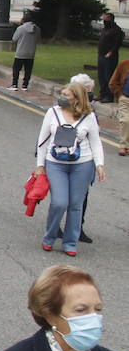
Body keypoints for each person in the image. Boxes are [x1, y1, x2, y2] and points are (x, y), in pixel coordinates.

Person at [34, 83, 105, 258]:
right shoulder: (53, 112)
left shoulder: (88, 117)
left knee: (75, 205)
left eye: (66, 94)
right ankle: (49, 237)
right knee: (59, 202)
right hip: (55, 163)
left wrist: (99, 164)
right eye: (62, 93)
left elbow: (96, 142)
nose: (62, 97)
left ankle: (70, 242)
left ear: (77, 98)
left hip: (82, 164)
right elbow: (42, 141)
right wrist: (40, 165)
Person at [97, 13, 124, 103]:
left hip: (110, 56)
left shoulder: (116, 30)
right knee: (101, 75)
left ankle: (109, 95)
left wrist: (111, 52)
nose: (104, 21)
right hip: (101, 55)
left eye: (106, 19)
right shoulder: (105, 29)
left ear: (111, 19)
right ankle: (102, 93)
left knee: (108, 75)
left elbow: (118, 43)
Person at [10, 13, 41, 91]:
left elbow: (14, 39)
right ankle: (25, 85)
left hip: (20, 52)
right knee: (28, 70)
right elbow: (38, 39)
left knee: (16, 69)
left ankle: (14, 84)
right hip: (31, 53)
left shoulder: (20, 28)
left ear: (23, 20)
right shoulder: (37, 29)